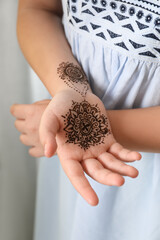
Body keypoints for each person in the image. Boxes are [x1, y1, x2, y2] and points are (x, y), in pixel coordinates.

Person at [11, 0, 160, 239]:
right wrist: (72, 92)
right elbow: (37, 8)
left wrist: (76, 127)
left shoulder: (70, 131)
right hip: (72, 166)